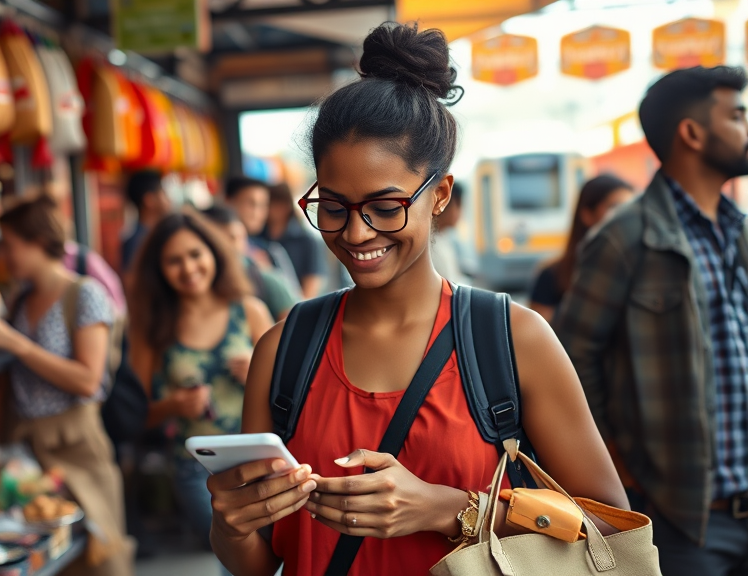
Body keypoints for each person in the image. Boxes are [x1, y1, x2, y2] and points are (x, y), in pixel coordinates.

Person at [206, 22, 627, 576]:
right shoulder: (284, 351)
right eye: (333, 207)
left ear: (441, 195)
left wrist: (450, 509)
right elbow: (260, 563)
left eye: (385, 207)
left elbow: (611, 528)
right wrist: (229, 523)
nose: (356, 234)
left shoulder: (512, 340)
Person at [555, 65, 748, 575]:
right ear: (692, 133)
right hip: (683, 520)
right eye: (738, 115)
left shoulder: (739, 232)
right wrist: (621, 473)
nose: (746, 127)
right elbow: (571, 366)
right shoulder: (624, 238)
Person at [0, 195, 133, 576]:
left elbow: (89, 380)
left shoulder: (84, 294)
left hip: (77, 449)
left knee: (102, 558)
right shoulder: (18, 301)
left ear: (37, 240)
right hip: (26, 457)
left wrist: (15, 342)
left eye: (9, 244)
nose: (4, 256)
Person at [127, 211, 273, 573]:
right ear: (158, 270)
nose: (188, 267)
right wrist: (173, 405)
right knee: (234, 562)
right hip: (198, 469)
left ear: (214, 254)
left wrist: (257, 372)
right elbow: (134, 412)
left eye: (195, 254)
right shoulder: (153, 329)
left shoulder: (250, 311)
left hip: (263, 462)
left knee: (275, 558)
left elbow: (294, 392)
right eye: (173, 261)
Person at [528, 175, 634, 322]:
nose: (624, 217)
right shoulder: (552, 275)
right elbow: (534, 337)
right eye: (615, 207)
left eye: (629, 209)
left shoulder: (638, 271)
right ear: (587, 215)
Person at [202, 205, 299, 320]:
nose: (229, 246)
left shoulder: (266, 281)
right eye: (219, 240)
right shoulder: (196, 286)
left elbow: (295, 329)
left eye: (235, 238)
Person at [225, 176, 301, 292]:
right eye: (251, 203)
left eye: (263, 205)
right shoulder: (213, 247)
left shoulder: (271, 252)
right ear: (228, 202)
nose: (257, 213)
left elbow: (294, 297)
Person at [266, 182, 330, 298]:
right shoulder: (258, 236)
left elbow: (313, 283)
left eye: (270, 204)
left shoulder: (306, 240)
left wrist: (299, 310)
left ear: (285, 206)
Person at [121, 170, 171, 271]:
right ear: (149, 200)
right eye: (163, 193)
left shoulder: (155, 233)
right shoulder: (138, 242)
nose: (169, 199)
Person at [429, 182, 473, 286]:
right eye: (458, 205)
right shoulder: (431, 246)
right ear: (444, 202)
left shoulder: (443, 239)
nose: (460, 212)